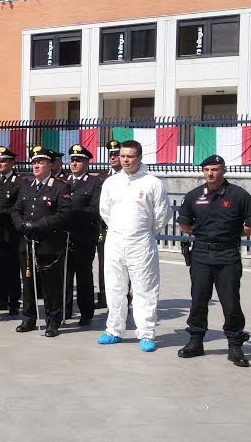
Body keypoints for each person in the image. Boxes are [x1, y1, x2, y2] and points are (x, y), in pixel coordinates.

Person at [176, 154, 251, 367]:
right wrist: (203, 232)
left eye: (214, 169)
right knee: (198, 299)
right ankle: (196, 341)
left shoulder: (238, 195)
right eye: (206, 170)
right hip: (201, 255)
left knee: (230, 301)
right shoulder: (194, 195)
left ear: (223, 170)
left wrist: (231, 234)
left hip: (227, 255)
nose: (210, 173)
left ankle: (235, 345)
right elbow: (184, 224)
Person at [97, 140, 172, 352]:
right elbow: (105, 211)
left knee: (144, 288)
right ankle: (114, 330)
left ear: (139, 158)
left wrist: (146, 232)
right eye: (122, 156)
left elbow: (162, 214)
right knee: (114, 287)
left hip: (141, 242)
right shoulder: (111, 183)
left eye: (130, 156)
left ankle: (146, 333)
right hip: (115, 240)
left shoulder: (152, 183)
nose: (126, 160)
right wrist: (120, 230)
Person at [12, 147, 72, 336]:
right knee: (28, 283)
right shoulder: (27, 186)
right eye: (34, 162)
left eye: (41, 162)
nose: (36, 165)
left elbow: (64, 214)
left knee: (50, 285)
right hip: (27, 242)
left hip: (49, 243)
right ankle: (28, 318)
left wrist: (38, 225)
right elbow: (16, 210)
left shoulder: (60, 186)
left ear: (50, 165)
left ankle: (53, 321)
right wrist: (22, 225)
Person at [64, 144, 102, 327]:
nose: (74, 163)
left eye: (78, 160)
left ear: (87, 162)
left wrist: (70, 214)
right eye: (72, 160)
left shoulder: (94, 183)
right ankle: (64, 310)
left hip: (84, 235)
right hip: (63, 235)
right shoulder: (62, 181)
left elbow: (95, 210)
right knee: (64, 274)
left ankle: (86, 312)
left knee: (83, 275)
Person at [0, 146, 24, 315]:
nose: (0, 163)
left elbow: (18, 207)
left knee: (12, 267)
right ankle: (0, 299)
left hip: (11, 230)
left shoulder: (19, 182)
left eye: (3, 161)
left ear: (12, 162)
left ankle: (14, 301)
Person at [96, 139, 123, 309]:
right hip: (104, 228)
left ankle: (123, 297)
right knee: (104, 263)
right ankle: (104, 295)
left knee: (122, 265)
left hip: (121, 227)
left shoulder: (128, 177)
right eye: (111, 154)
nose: (113, 157)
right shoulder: (101, 178)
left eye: (116, 154)